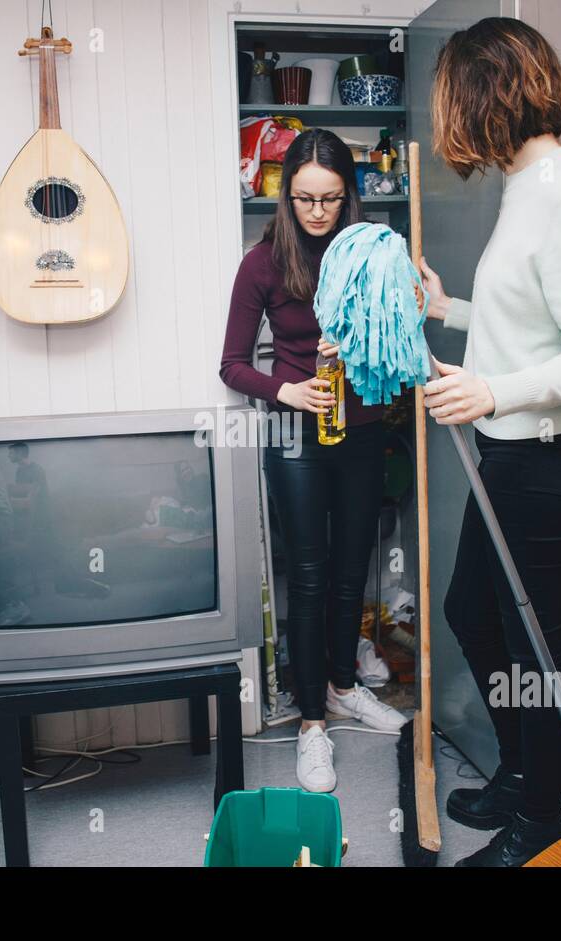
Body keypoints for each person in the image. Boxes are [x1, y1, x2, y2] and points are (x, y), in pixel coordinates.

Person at [419, 17, 561, 866]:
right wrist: (450, 312)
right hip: (512, 446)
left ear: (482, 96)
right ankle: (519, 772)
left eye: (451, 103)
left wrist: (491, 390)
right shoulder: (525, 185)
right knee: (474, 613)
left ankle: (540, 822)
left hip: (547, 453)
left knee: (533, 651)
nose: (445, 125)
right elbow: (530, 323)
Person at [219, 128, 408, 793]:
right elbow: (234, 365)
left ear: (348, 196)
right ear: (285, 194)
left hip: (360, 431)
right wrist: (286, 389)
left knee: (351, 569)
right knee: (309, 574)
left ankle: (343, 686)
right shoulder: (263, 262)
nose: (318, 211)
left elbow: (397, 339)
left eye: (330, 198)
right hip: (297, 436)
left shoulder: (374, 254)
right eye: (305, 198)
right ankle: (309, 724)